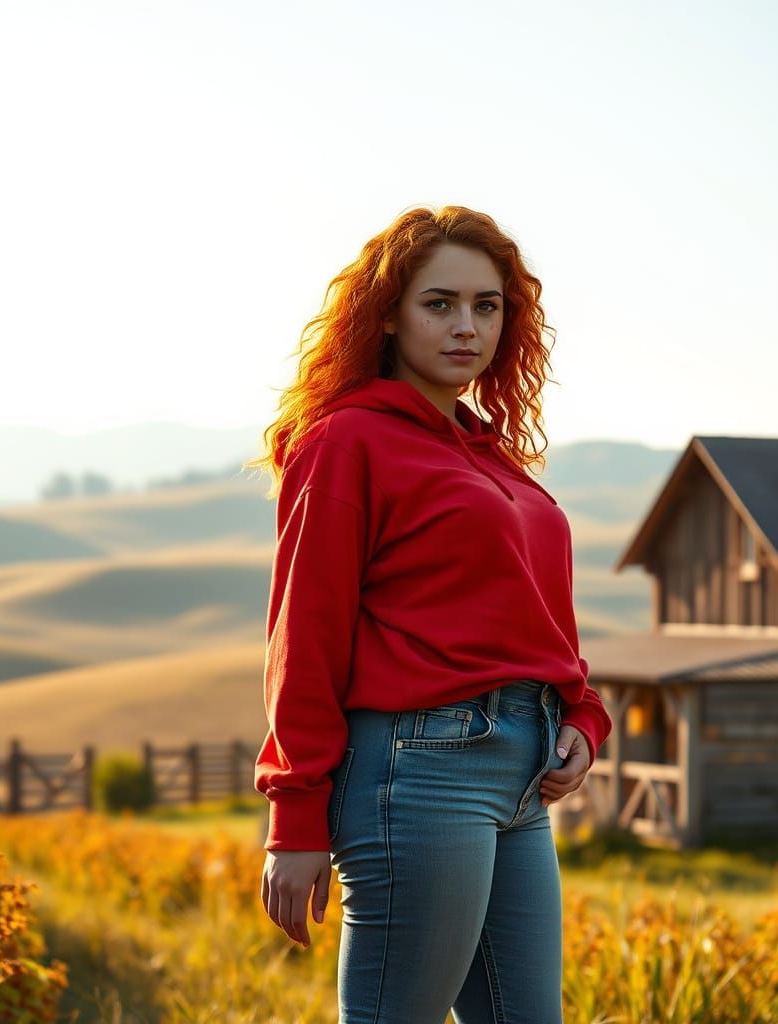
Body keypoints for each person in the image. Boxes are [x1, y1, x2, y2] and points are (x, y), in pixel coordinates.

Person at [248, 205, 612, 1024]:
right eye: (439, 304)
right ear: (387, 315)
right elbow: (304, 634)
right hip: (419, 771)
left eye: (487, 307)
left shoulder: (493, 457)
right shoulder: (347, 442)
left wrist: (583, 715)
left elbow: (536, 617)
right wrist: (296, 815)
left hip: (524, 780)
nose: (466, 327)